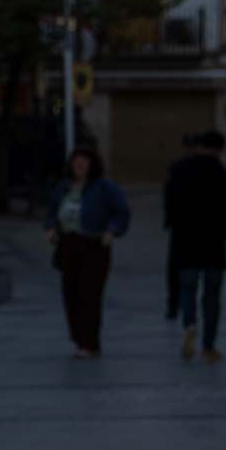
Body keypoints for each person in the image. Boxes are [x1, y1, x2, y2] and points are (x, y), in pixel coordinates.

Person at [44, 146, 131, 358]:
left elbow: (122, 211)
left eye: (84, 161)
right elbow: (51, 211)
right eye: (76, 161)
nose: (80, 165)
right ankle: (79, 339)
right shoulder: (63, 187)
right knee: (71, 294)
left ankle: (90, 343)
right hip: (69, 245)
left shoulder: (104, 188)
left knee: (89, 295)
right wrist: (51, 229)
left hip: (94, 245)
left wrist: (112, 230)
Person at [165, 130, 226, 363]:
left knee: (188, 288)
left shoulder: (179, 171)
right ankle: (208, 345)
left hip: (186, 241)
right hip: (214, 244)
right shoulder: (224, 175)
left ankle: (189, 323)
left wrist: (174, 225)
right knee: (212, 295)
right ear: (219, 149)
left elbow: (169, 202)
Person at [163, 134, 201, 319]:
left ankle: (177, 303)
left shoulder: (179, 168)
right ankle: (176, 302)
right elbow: (169, 195)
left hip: (185, 225)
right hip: (186, 224)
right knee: (179, 266)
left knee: (180, 266)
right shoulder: (179, 167)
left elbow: (168, 195)